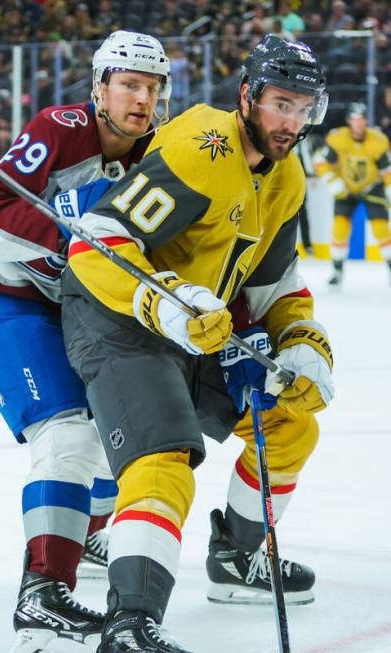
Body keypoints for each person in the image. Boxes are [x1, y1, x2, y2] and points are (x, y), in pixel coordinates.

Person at [60, 35, 333, 652]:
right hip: (118, 317)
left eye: (303, 108)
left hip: (196, 327)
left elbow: (273, 288)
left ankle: (237, 558)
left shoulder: (286, 176)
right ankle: (131, 621)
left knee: (291, 423)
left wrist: (302, 340)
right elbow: (97, 242)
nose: (291, 122)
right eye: (280, 104)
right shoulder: (202, 147)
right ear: (248, 97)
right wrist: (162, 300)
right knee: (165, 456)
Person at [0, 30, 171, 652]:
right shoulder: (60, 127)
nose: (140, 98)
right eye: (128, 83)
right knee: (68, 432)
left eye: (151, 87)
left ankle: (85, 530)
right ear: (99, 88)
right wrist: (71, 233)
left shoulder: (157, 157)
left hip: (63, 312)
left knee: (113, 420)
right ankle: (42, 592)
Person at [315, 102, 391, 286]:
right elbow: (320, 161)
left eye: (361, 120)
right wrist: (333, 182)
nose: (358, 124)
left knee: (381, 230)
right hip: (345, 189)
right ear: (349, 121)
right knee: (340, 229)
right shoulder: (338, 138)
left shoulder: (378, 141)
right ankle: (337, 270)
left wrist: (389, 189)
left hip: (372, 187)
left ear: (366, 121)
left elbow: (386, 170)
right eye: (355, 120)